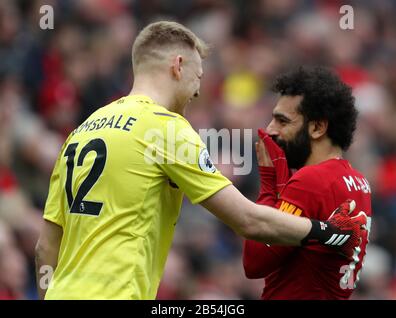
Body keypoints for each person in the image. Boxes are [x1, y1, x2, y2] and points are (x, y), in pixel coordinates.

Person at [35, 22, 366, 300]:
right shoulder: (165, 129)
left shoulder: (80, 131)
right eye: (198, 77)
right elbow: (248, 222)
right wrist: (328, 231)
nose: (197, 91)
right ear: (178, 66)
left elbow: (46, 246)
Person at [243, 66, 372, 299]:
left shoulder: (310, 180)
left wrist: (269, 185)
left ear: (317, 127)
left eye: (282, 121)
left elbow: (254, 263)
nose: (270, 130)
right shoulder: (359, 181)